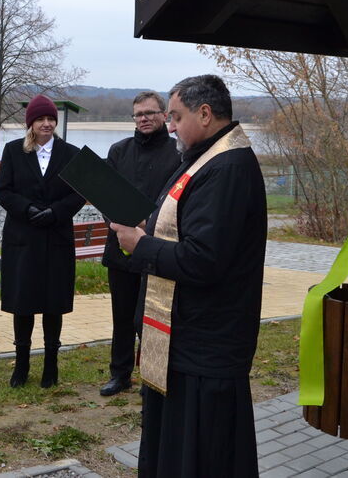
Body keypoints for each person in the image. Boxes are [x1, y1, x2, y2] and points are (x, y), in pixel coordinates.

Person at [111, 75, 266, 477]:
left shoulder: (227, 166)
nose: (172, 125)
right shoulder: (207, 156)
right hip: (185, 339)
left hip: (206, 344)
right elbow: (187, 226)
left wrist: (140, 246)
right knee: (176, 448)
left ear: (205, 113)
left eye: (176, 116)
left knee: (202, 454)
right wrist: (150, 226)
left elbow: (204, 259)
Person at [0, 94, 86, 388]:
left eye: (51, 119)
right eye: (40, 119)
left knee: (53, 303)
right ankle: (21, 366)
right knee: (23, 304)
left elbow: (79, 193)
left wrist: (56, 212)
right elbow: (3, 191)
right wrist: (27, 209)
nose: (46, 124)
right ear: (30, 123)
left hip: (56, 237)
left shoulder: (70, 154)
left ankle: (51, 366)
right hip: (23, 238)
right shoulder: (12, 151)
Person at [99, 91, 181, 397]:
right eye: (138, 114)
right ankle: (119, 374)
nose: (143, 119)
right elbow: (104, 193)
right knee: (121, 317)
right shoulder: (119, 151)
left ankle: (154, 375)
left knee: (153, 318)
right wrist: (126, 223)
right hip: (120, 246)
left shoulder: (177, 153)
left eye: (149, 113)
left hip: (158, 249)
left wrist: (150, 225)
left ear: (164, 115)